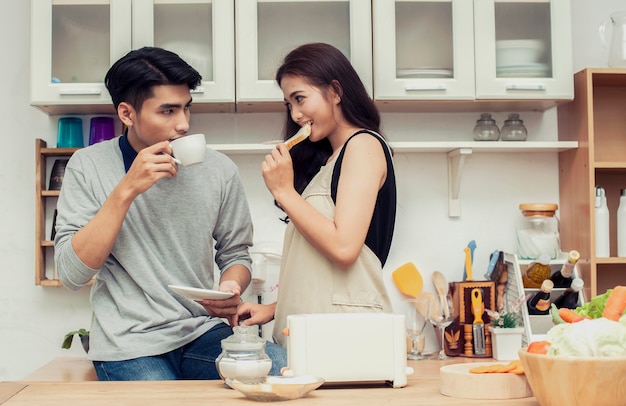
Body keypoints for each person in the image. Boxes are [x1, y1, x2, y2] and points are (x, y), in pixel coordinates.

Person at [54, 46, 286, 381]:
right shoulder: (88, 166)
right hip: (128, 342)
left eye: (186, 108)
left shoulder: (219, 170)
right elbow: (71, 274)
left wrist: (231, 285)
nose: (183, 124)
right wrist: (126, 190)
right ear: (127, 113)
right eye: (167, 111)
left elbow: (235, 254)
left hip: (201, 332)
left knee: (276, 368)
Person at [237, 43, 396, 347]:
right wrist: (272, 309)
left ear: (335, 92)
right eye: (288, 104)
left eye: (300, 99)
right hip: (319, 336)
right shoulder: (330, 160)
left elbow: (344, 248)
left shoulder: (363, 146)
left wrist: (284, 190)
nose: (295, 114)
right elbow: (319, 270)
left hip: (344, 341)